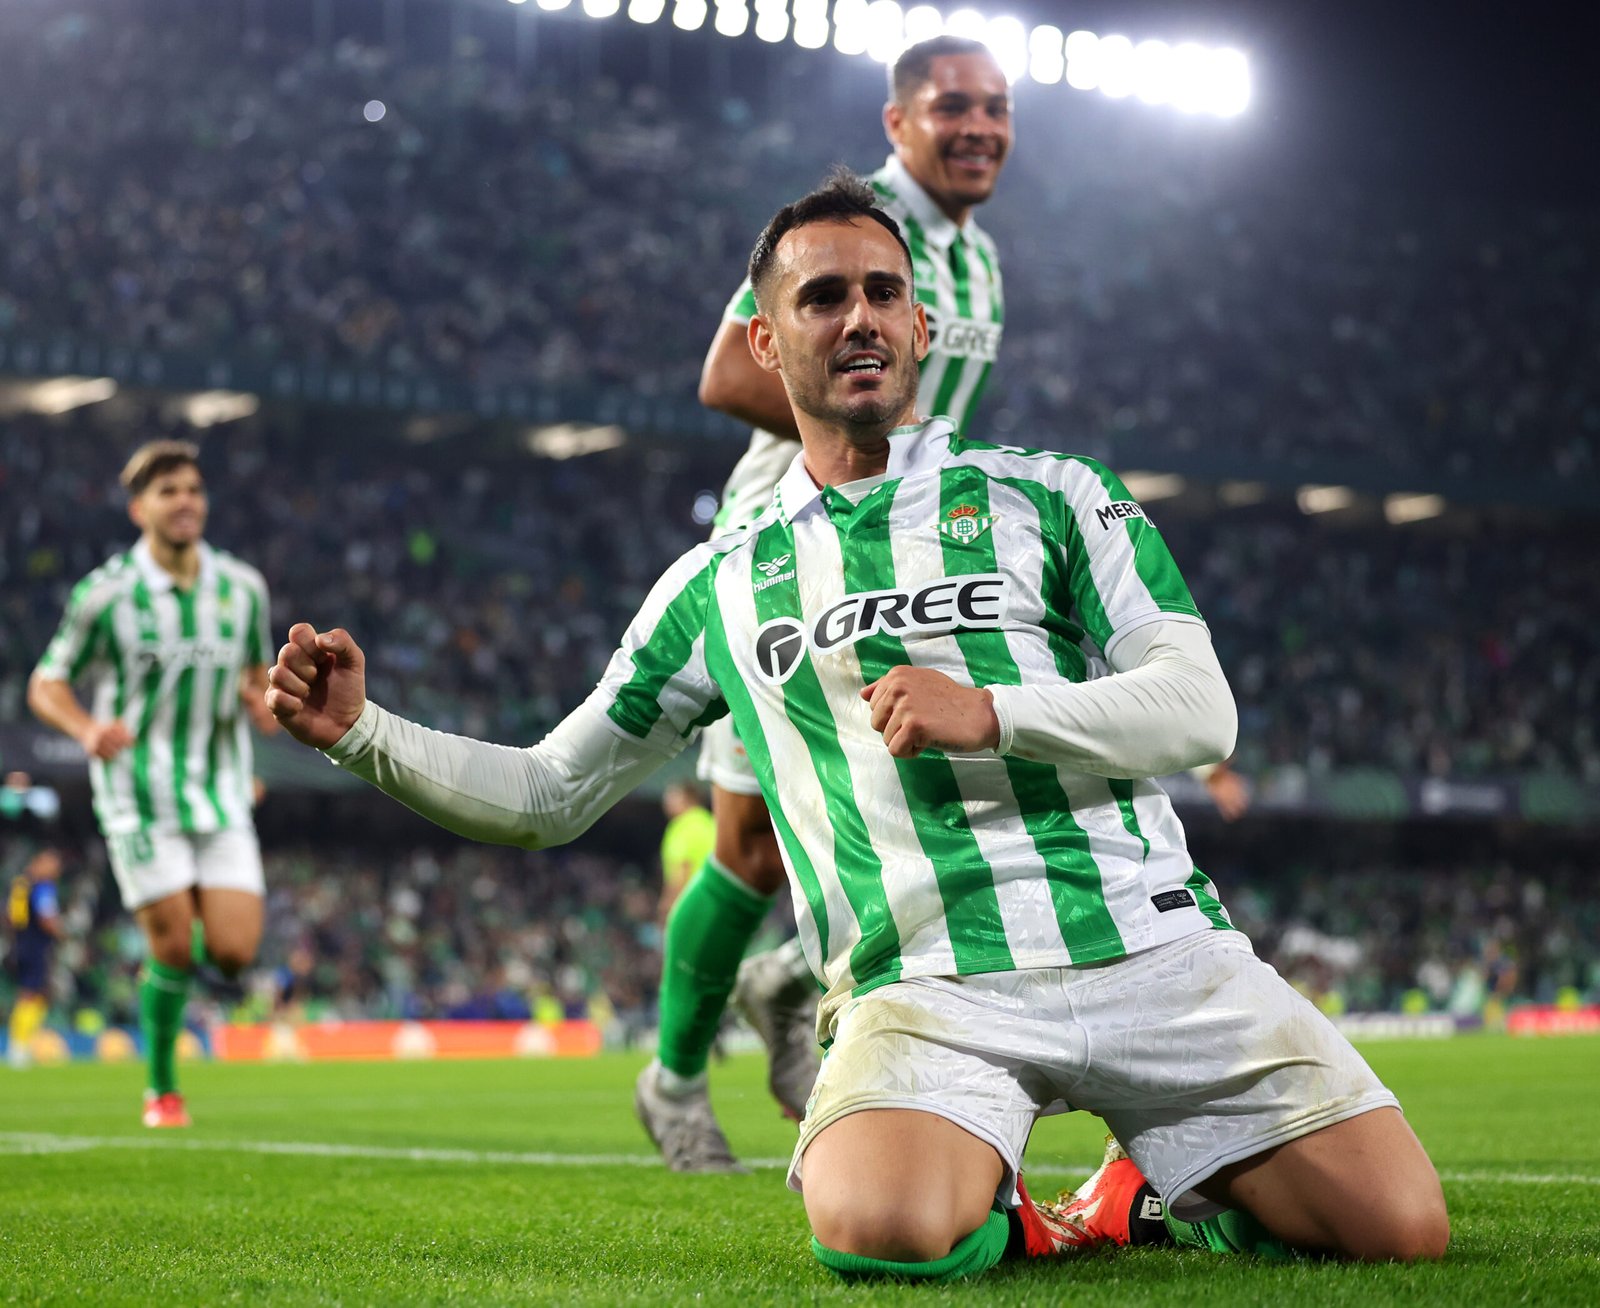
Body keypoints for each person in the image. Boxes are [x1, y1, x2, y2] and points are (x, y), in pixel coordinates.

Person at [266, 176, 1448, 1278]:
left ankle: (1142, 1190)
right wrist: (363, 732)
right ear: (766, 343)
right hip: (927, 986)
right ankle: (1019, 1208)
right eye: (821, 297)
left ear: (923, 328)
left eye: (884, 291)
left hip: (1157, 952)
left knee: (1398, 1231)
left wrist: (991, 711)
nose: (860, 318)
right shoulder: (715, 586)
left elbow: (1200, 712)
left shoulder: (1057, 494)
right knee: (876, 1228)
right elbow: (547, 794)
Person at [642, 31, 1015, 1172]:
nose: (980, 127)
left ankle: (789, 988)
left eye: (996, 108)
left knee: (931, 797)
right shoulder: (847, 239)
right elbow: (723, 375)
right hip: (787, 545)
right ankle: (673, 1082)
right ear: (898, 120)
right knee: (752, 846)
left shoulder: (983, 263)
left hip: (909, 558)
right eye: (953, 105)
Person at [28, 439, 277, 1127]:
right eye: (168, 491)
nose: (185, 500)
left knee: (232, 953)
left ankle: (180, 931)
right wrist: (84, 729)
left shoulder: (242, 587)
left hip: (221, 791)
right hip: (139, 794)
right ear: (140, 509)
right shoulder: (106, 594)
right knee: (171, 945)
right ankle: (162, 1088)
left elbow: (255, 675)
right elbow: (46, 682)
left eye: (193, 488)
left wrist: (263, 704)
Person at [6, 848, 65, 1068]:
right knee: (31, 995)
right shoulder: (43, 887)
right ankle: (20, 1047)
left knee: (32, 994)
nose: (56, 870)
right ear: (39, 862)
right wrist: (63, 933)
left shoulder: (21, 884)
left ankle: (20, 1044)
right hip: (36, 947)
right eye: (52, 864)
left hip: (21, 945)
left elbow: (13, 917)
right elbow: (47, 918)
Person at [657, 782, 716, 923]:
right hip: (716, 900)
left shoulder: (683, 826)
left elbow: (683, 869)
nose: (666, 802)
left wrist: (668, 904)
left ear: (687, 798)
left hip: (691, 902)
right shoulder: (709, 822)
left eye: (672, 796)